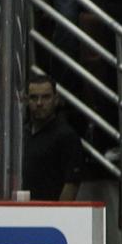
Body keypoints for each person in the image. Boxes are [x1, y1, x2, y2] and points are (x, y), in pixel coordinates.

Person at [22, 73, 85, 201]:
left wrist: (58, 215)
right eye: (34, 98)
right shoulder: (22, 134)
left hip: (51, 216)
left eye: (46, 97)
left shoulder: (66, 136)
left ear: (56, 100)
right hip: (20, 212)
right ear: (26, 100)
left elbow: (71, 184)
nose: (39, 103)